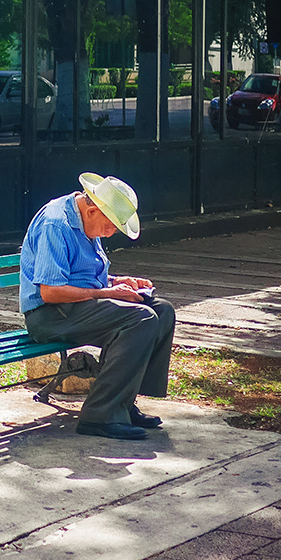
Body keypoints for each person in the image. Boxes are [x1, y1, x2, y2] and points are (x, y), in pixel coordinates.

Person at [19, 172, 175, 440]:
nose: (112, 232)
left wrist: (117, 282)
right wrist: (106, 293)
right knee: (141, 319)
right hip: (49, 316)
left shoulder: (87, 219)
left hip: (77, 307)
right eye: (111, 225)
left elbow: (83, 275)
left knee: (162, 311)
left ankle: (123, 403)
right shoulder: (56, 224)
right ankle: (100, 416)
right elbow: (51, 292)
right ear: (93, 209)